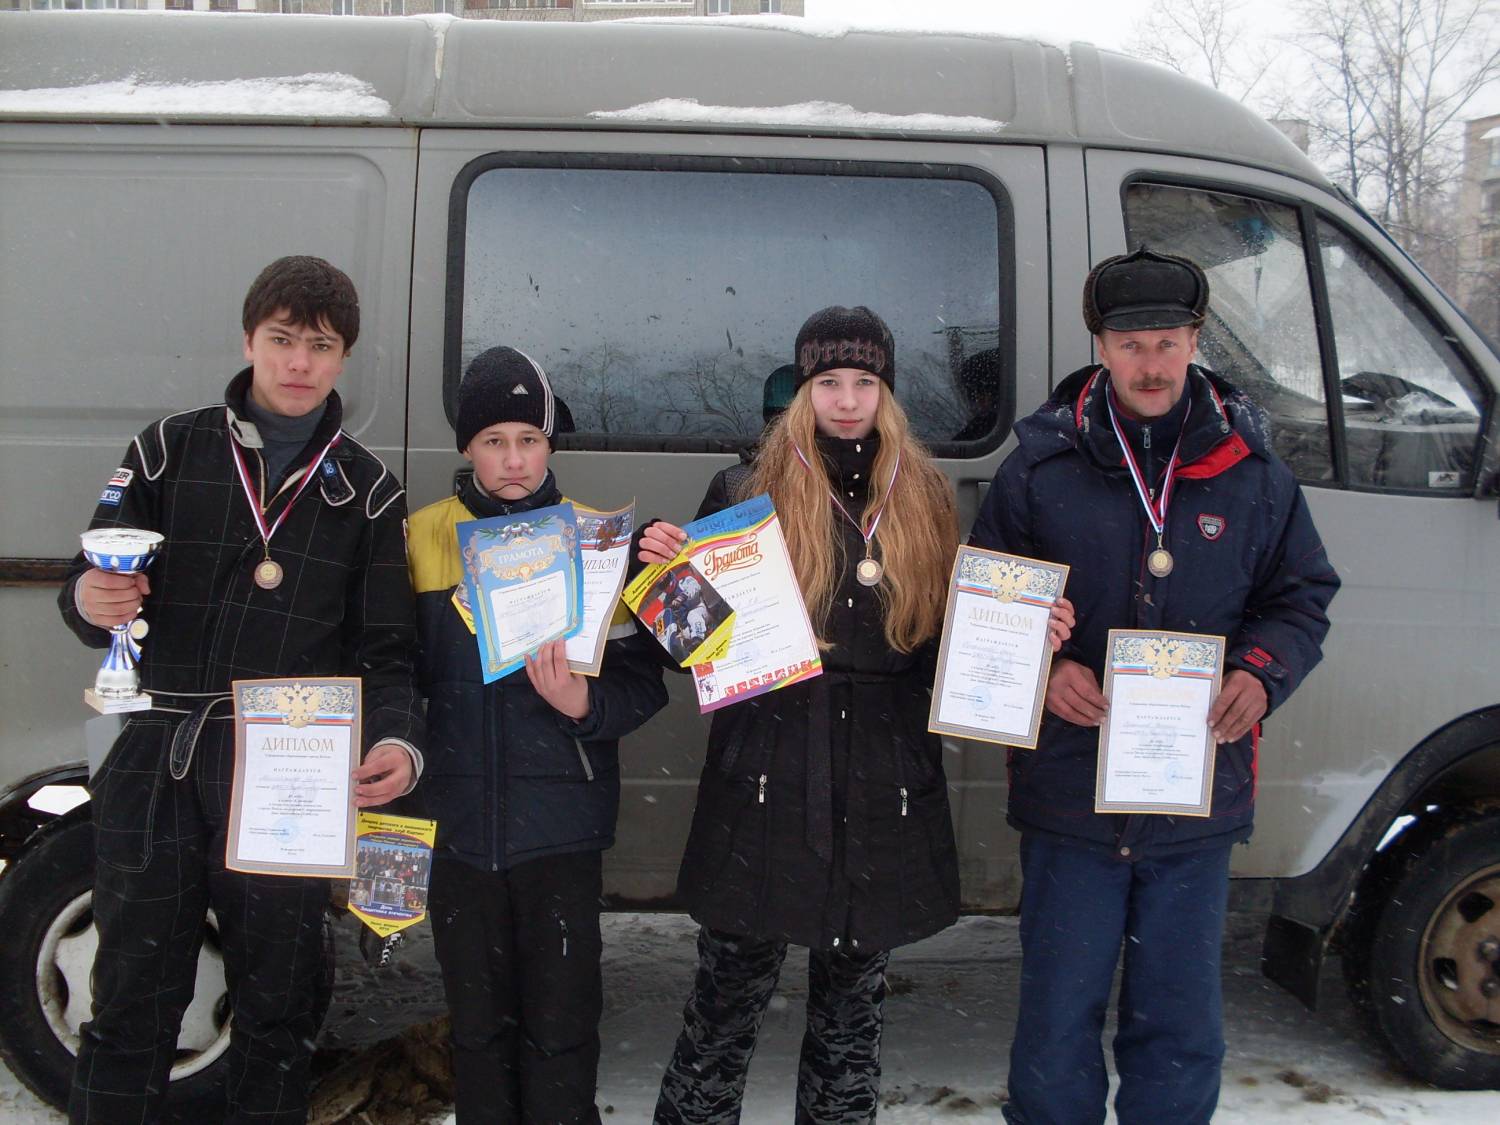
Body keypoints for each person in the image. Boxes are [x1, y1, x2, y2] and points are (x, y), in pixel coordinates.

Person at [644, 306, 1064, 1124]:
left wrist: (1022, 638)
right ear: (803, 390)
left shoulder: (924, 497)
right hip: (765, 779)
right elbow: (685, 651)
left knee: (850, 1021)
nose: (846, 399)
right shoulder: (744, 491)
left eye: (864, 382)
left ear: (886, 392)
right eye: (828, 381)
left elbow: (940, 654)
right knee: (724, 1008)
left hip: (881, 783)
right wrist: (661, 575)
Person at [970, 247, 1340, 1125]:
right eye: (1131, 344)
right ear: (1100, 347)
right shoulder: (1040, 467)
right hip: (1070, 794)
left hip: (1195, 795)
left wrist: (1261, 672)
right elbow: (984, 604)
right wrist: (1043, 667)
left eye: (1168, 343)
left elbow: (1301, 596)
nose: (1151, 365)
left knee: (1179, 1024)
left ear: (1195, 341)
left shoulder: (1253, 470)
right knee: (1056, 1020)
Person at [59, 255, 424, 1125]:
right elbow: (96, 577)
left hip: (288, 771)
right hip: (158, 750)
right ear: (248, 340)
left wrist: (398, 741)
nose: (299, 362)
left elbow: (389, 651)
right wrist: (87, 596)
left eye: (320, 345)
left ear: (344, 358)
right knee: (131, 999)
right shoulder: (168, 448)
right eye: (282, 338)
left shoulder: (370, 492)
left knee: (279, 1010)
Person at [406, 345, 668, 1124]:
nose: (513, 459)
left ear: (550, 445)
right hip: (457, 831)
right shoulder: (420, 538)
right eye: (494, 441)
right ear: (468, 447)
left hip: (561, 830)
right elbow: (393, 675)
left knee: (562, 1026)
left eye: (528, 439)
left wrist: (584, 704)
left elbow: (643, 684)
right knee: (478, 1029)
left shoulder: (598, 542)